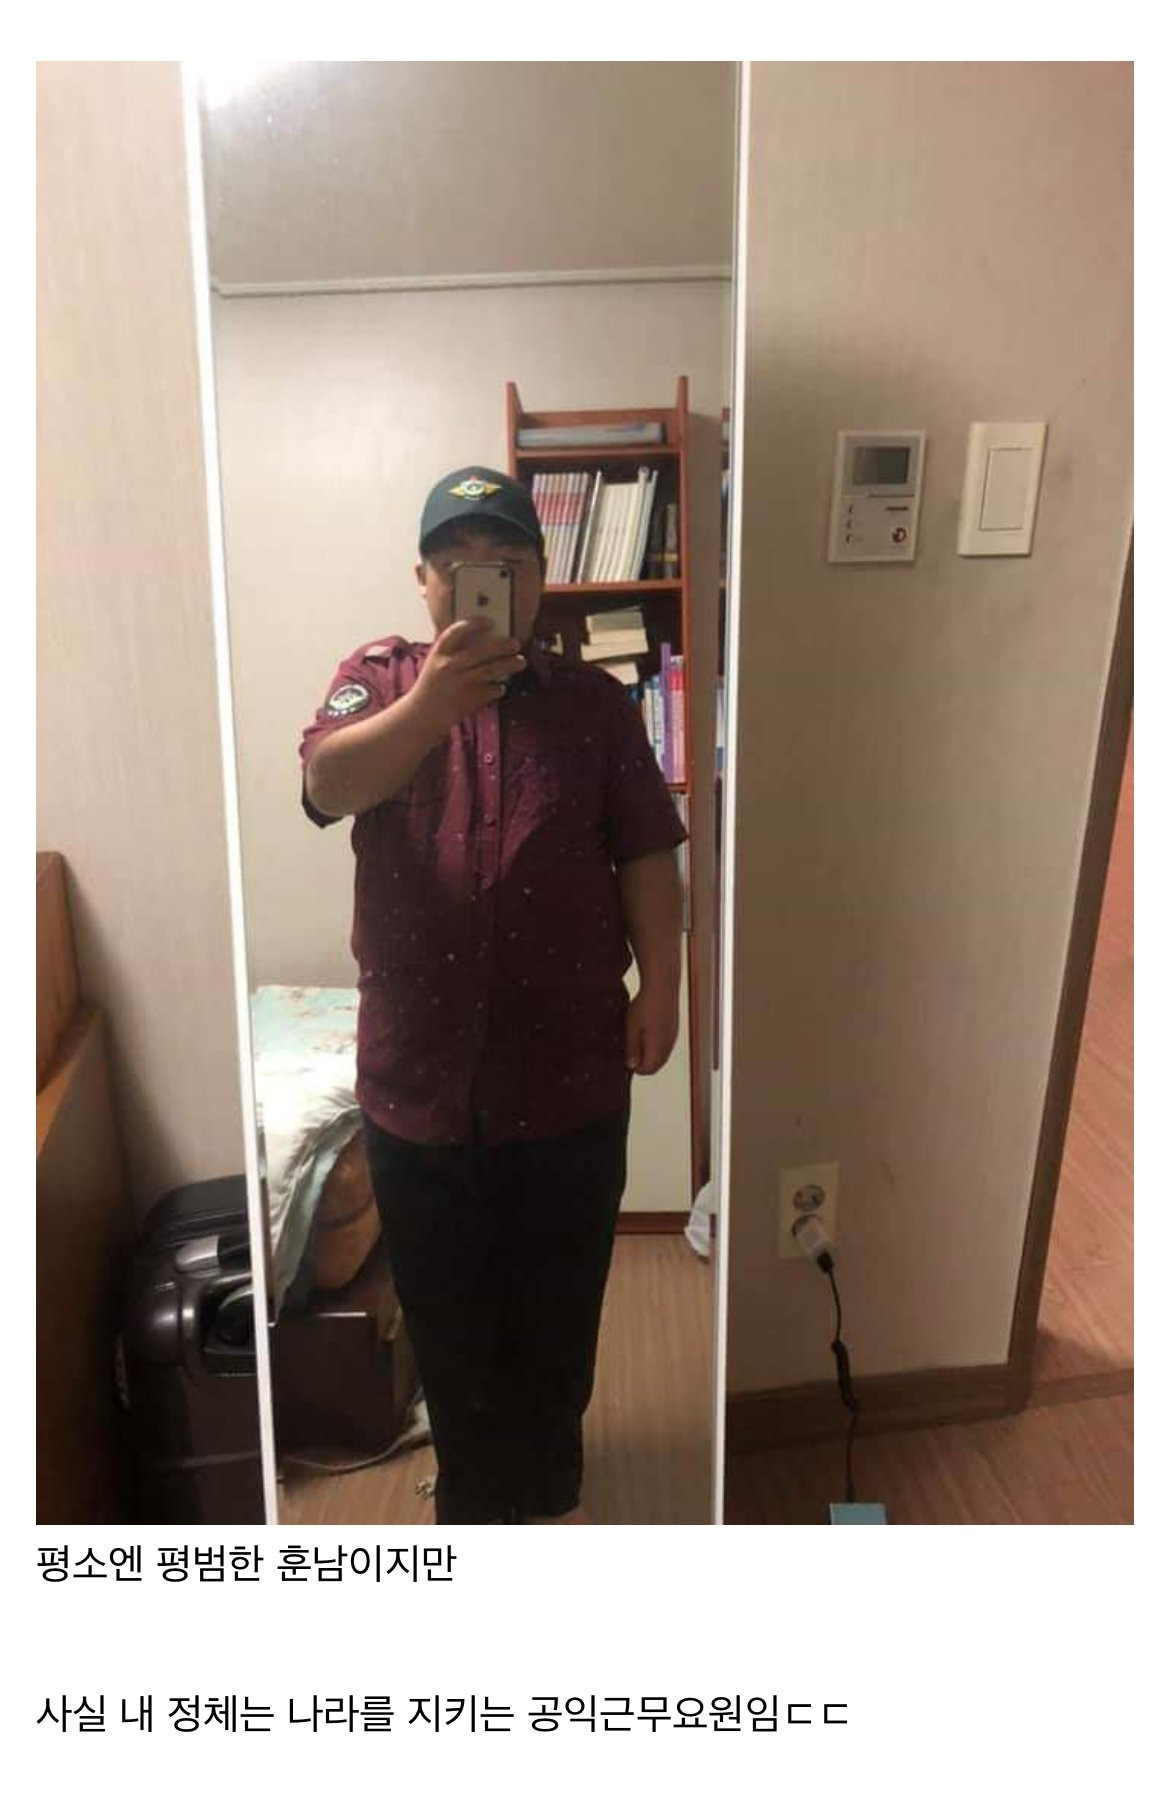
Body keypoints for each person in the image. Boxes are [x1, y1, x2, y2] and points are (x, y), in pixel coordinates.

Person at [299, 466, 686, 1524]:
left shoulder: (594, 705)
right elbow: (327, 785)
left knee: (558, 1321)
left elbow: (646, 853)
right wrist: (431, 705)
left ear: (539, 578)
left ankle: (550, 1495)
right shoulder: (377, 679)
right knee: (449, 1325)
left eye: (506, 562)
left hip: (569, 1080)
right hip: (418, 1090)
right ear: (424, 579)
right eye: (458, 563)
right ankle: (473, 1509)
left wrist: (663, 985)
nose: (481, 580)